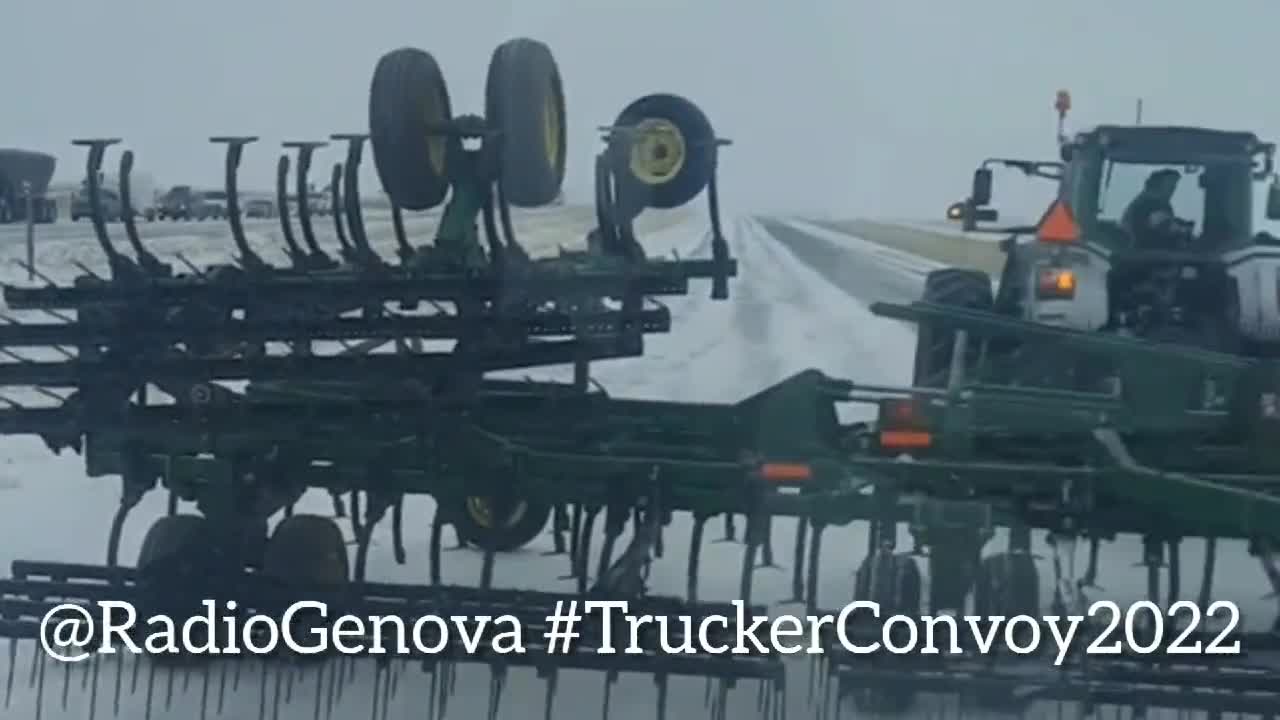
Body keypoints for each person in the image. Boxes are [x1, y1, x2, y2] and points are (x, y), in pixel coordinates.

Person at [1121, 169, 1191, 248]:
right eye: (1170, 186)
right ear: (1157, 184)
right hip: (1144, 253)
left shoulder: (1160, 203)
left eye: (1174, 187)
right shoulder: (1148, 204)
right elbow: (1163, 225)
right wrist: (1182, 229)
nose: (1172, 190)